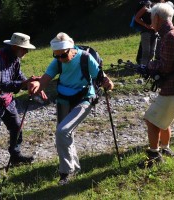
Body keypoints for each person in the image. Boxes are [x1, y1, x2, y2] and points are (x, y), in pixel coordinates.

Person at [27, 32, 114, 185]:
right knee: (66, 134)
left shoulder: (86, 58)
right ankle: (75, 168)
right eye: (56, 56)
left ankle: (65, 173)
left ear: (71, 48)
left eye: (63, 55)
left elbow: (102, 77)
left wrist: (108, 83)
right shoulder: (58, 61)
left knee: (62, 131)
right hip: (63, 100)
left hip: (84, 99)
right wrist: (37, 86)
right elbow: (46, 78)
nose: (60, 59)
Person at [136, 2, 174, 169]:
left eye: (151, 17)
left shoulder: (169, 37)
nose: (150, 20)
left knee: (151, 120)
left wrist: (148, 66)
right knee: (163, 120)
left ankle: (154, 156)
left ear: (157, 18)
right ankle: (166, 148)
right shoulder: (173, 33)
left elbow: (165, 66)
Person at [0, 32, 45, 178]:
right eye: (24, 49)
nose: (26, 52)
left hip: (7, 101)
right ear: (15, 46)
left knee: (16, 127)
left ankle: (15, 156)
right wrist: (24, 83)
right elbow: (3, 85)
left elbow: (18, 76)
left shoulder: (15, 58)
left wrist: (30, 84)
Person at [134, 0, 164, 65]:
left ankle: (148, 68)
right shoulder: (147, 6)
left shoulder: (159, 7)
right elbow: (136, 18)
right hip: (146, 32)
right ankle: (143, 68)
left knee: (152, 53)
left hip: (155, 32)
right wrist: (146, 25)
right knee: (146, 52)